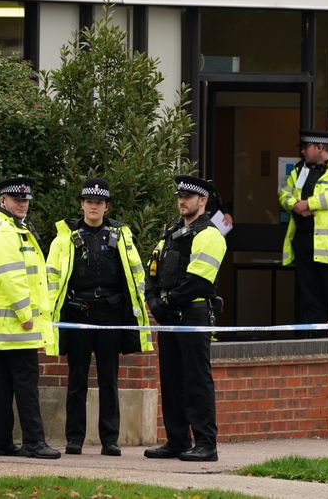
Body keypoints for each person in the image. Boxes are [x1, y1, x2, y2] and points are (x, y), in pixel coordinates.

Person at [46, 178, 152, 457]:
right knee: (76, 379)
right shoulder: (64, 238)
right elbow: (52, 278)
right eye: (89, 202)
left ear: (106, 206)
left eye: (99, 202)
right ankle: (74, 439)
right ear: (82, 204)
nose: (93, 207)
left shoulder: (121, 237)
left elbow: (137, 276)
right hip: (77, 312)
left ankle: (110, 440)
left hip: (110, 314)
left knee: (109, 380)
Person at [0, 176, 60, 459]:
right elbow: (11, 275)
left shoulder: (8, 228)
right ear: (2, 200)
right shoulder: (3, 232)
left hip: (5, 323)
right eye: (17, 200)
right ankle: (34, 442)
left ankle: (0, 442)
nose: (22, 204)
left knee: (3, 382)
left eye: (26, 200)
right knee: (27, 382)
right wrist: (25, 312)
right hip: (15, 322)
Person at [143, 175, 227, 462]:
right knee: (171, 380)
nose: (182, 201)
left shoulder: (209, 234)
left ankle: (206, 444)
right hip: (170, 317)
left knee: (196, 381)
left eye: (188, 197)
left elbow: (199, 282)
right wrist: (154, 301)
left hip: (193, 315)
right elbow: (152, 270)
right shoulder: (171, 233)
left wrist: (167, 301)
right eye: (180, 196)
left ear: (202, 202)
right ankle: (177, 441)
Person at [278, 129, 328, 330]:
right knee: (310, 298)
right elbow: (284, 192)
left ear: (320, 147)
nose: (303, 152)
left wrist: (309, 204)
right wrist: (295, 205)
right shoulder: (299, 170)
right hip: (305, 243)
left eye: (306, 147)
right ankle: (317, 343)